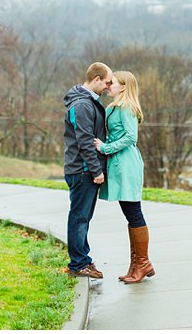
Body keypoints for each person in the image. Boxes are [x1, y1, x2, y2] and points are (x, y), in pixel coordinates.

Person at [94, 70, 155, 284]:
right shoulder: (114, 108)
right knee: (130, 214)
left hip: (127, 164)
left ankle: (144, 263)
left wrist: (106, 148)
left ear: (124, 87)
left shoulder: (127, 108)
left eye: (114, 83)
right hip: (119, 165)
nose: (109, 85)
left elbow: (131, 137)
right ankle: (136, 264)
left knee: (134, 213)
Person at [63, 62, 112, 279]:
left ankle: (83, 259)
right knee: (79, 217)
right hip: (82, 170)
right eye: (107, 82)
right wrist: (96, 170)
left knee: (83, 217)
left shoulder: (88, 102)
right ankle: (77, 265)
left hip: (85, 170)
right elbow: (85, 141)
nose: (108, 87)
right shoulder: (82, 105)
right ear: (96, 79)